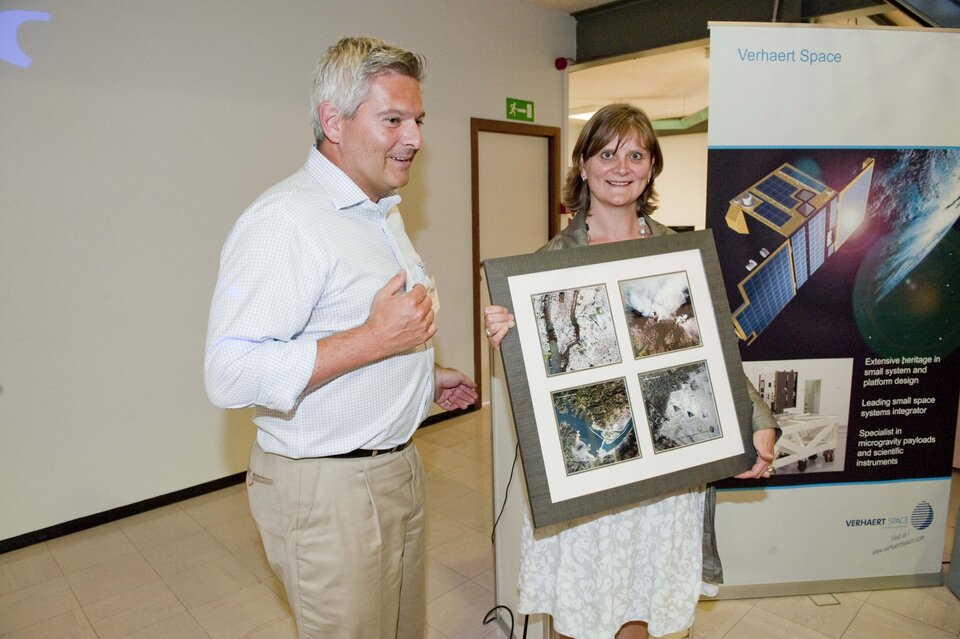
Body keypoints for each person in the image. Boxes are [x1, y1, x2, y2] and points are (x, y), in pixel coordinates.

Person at [204, 36, 477, 639]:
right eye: (394, 119)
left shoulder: (379, 212)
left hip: (397, 468)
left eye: (419, 120)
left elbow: (345, 330)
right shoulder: (286, 222)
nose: (415, 138)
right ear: (334, 121)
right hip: (326, 490)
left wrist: (420, 378)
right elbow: (229, 373)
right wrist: (376, 342)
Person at [484, 103, 777, 639]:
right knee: (584, 609)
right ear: (583, 163)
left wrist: (757, 419)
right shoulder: (548, 264)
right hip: (594, 466)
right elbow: (547, 377)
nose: (621, 166)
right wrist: (509, 337)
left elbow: (715, 353)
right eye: (607, 152)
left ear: (652, 166)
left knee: (646, 606)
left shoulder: (679, 255)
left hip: (664, 470)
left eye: (636, 153)